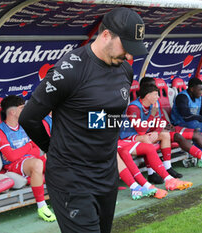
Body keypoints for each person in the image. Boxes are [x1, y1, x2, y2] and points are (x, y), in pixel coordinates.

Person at [19, 7, 148, 233]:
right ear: (106, 35)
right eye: (126, 47)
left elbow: (102, 117)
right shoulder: (70, 69)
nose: (129, 56)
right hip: (71, 177)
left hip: (106, 174)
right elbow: (29, 118)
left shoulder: (125, 70)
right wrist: (52, 148)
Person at [120, 77, 202, 174]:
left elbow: (160, 120)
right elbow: (141, 130)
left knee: (190, 133)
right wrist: (154, 119)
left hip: (158, 130)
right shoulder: (134, 107)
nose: (158, 97)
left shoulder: (154, 104)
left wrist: (162, 126)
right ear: (147, 94)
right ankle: (155, 173)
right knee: (183, 130)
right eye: (156, 94)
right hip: (135, 136)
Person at [0, 95, 56, 222]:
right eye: (22, 108)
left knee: (58, 158)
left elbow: (37, 150)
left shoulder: (24, 126)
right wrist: (28, 146)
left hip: (30, 161)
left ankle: (65, 199)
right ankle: (42, 207)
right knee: (37, 163)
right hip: (13, 166)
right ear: (12, 111)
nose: (25, 111)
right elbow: (11, 157)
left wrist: (20, 151)